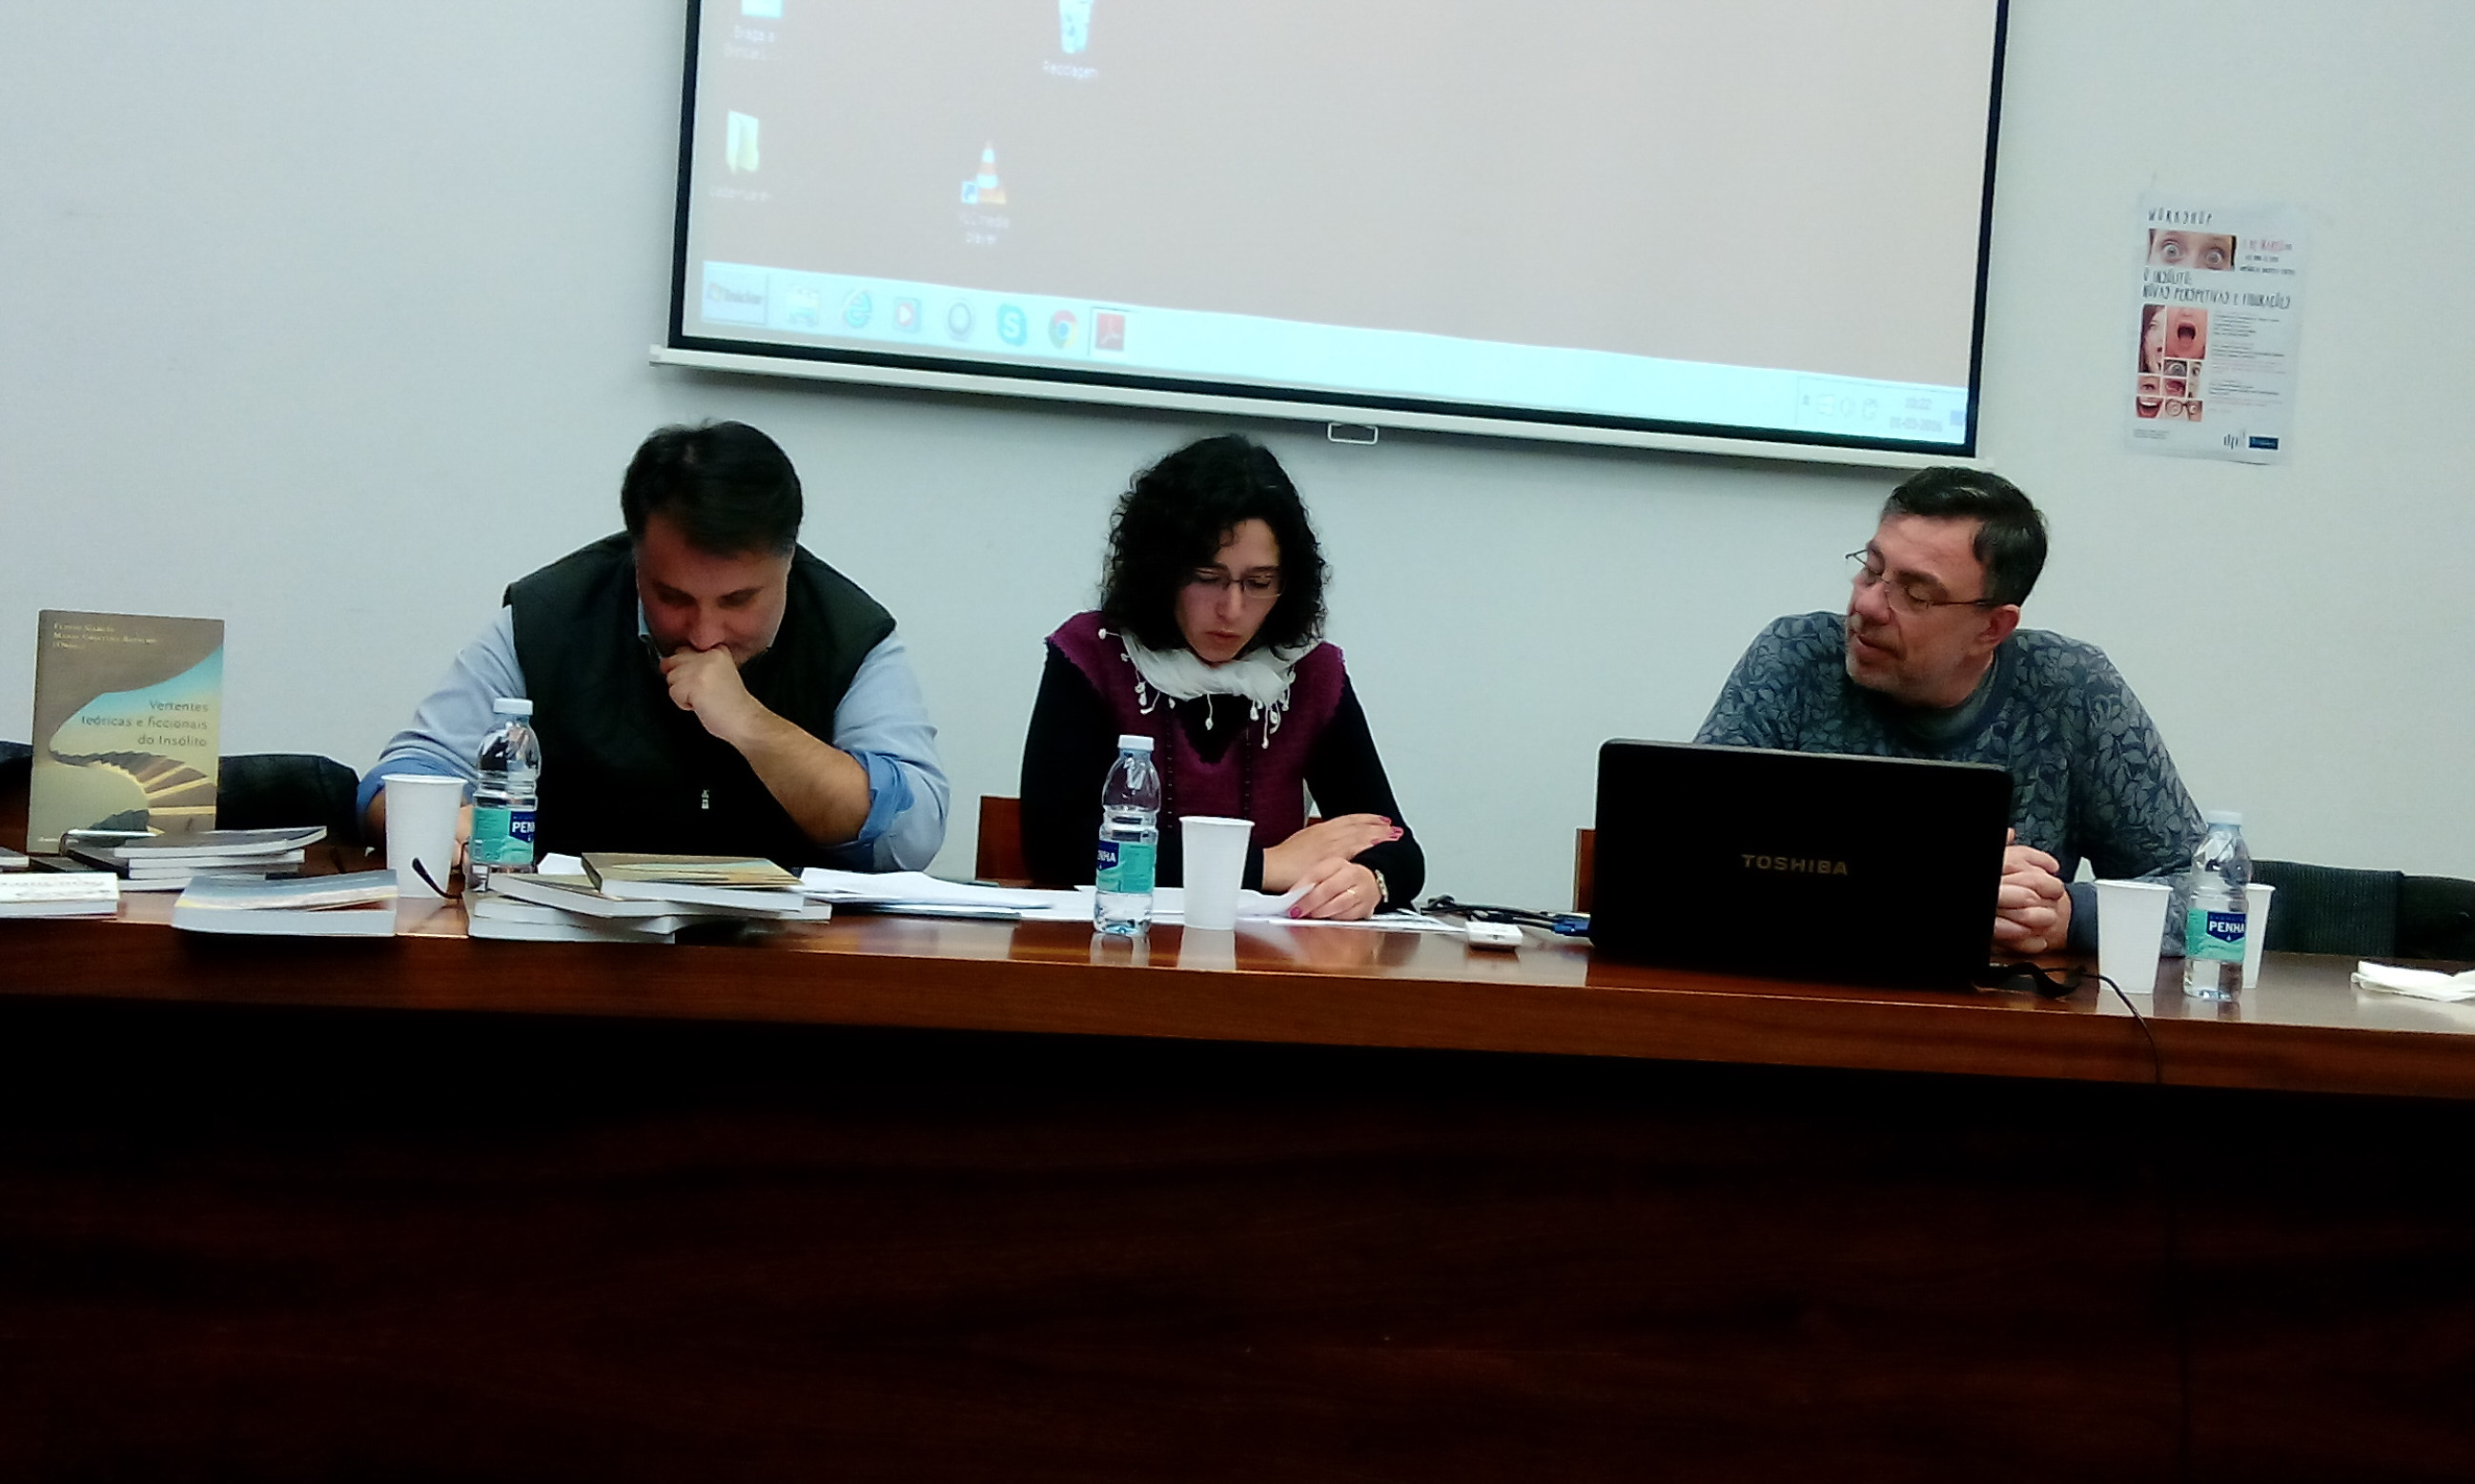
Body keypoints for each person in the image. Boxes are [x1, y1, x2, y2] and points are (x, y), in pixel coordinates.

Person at [358, 420, 947, 870]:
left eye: (738, 601)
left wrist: (748, 723)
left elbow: (912, 834)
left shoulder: (850, 632)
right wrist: (434, 825)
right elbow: (407, 772)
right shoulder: (553, 615)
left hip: (789, 980)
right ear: (635, 554)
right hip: (571, 970)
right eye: (673, 597)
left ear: (790, 560)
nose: (704, 634)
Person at [1695, 467, 2202, 957]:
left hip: (1991, 1019)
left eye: (1916, 594)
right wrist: (1943, 886)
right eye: (1871, 570)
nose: (1868, 606)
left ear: (1992, 628)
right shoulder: (1796, 659)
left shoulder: (2070, 689)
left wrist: (2071, 917)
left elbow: (2214, 896)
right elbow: (1684, 850)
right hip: (1797, 1005)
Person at [1019, 435, 1422, 920]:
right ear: (1161, 571)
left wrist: (1370, 881)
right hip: (1113, 947)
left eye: (1258, 583)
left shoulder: (1310, 672)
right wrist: (1266, 866)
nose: (1231, 609)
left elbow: (1395, 845)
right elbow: (1055, 846)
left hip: (1261, 963)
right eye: (1208, 577)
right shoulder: (1092, 653)